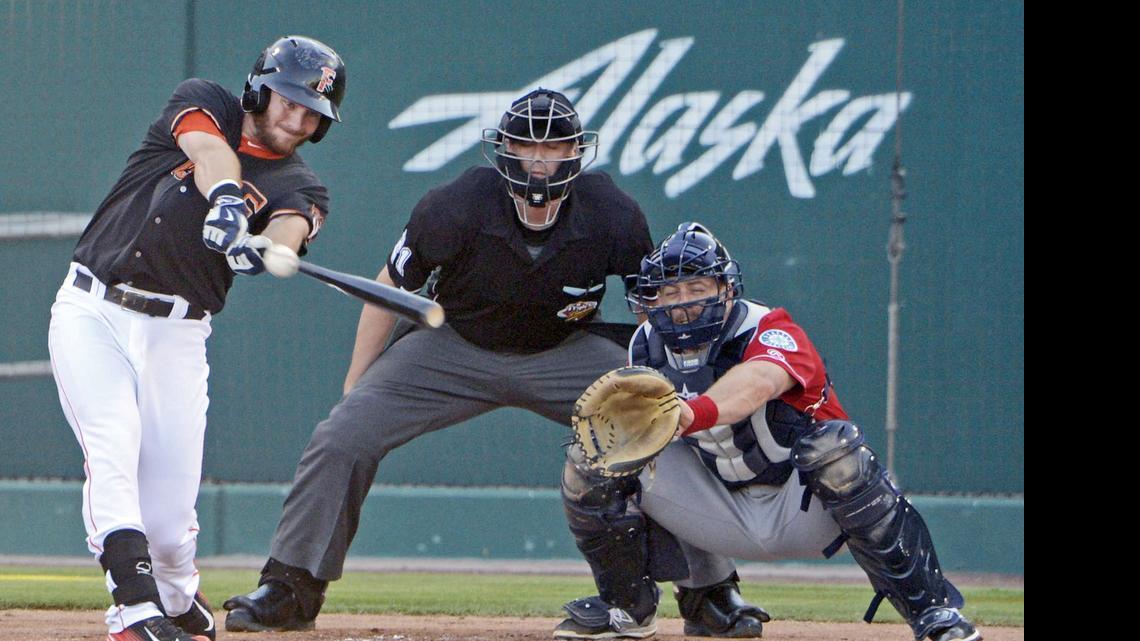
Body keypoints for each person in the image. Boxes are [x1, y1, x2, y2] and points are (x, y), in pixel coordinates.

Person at [222, 88, 755, 633]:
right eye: (527, 146)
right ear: (504, 151)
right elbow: (389, 287)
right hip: (454, 346)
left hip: (565, 349)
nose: (541, 161)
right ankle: (290, 588)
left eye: (556, 146)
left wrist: (663, 384)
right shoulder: (454, 205)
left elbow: (649, 307)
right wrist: (357, 382)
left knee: (665, 425)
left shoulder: (613, 213)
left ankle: (711, 593)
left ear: (578, 152)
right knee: (342, 436)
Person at [46, 36, 346, 641]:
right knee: (112, 443)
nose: (296, 117)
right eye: (287, 99)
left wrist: (269, 250)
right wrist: (229, 200)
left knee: (168, 523)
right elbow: (208, 151)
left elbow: (291, 224)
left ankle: (179, 599)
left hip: (177, 336)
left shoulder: (301, 184)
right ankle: (132, 611)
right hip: (92, 309)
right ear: (262, 88)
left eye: (312, 111)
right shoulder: (205, 101)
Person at [555, 223, 984, 641]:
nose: (682, 303)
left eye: (697, 288)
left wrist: (691, 412)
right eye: (669, 292)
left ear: (726, 291)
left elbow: (758, 382)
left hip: (805, 509)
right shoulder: (645, 346)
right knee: (593, 461)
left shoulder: (770, 328)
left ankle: (934, 613)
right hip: (717, 510)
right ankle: (631, 609)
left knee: (835, 451)